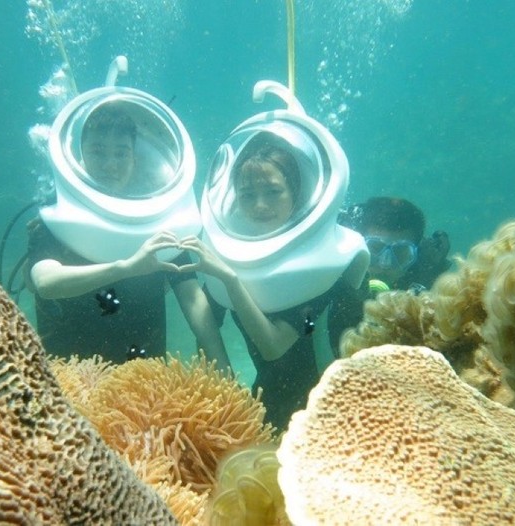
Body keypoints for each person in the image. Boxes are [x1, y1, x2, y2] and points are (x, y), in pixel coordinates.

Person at [26, 106, 230, 369]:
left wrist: (223, 369)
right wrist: (126, 268)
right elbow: (45, 281)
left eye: (121, 153)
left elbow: (191, 297)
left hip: (141, 374)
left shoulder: (160, 216)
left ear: (135, 158)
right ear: (80, 155)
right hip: (66, 370)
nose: (110, 165)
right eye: (97, 151)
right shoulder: (56, 212)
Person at [180, 141, 339, 430]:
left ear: (296, 191)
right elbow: (206, 319)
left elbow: (273, 346)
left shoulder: (320, 259)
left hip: (330, 406)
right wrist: (224, 384)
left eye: (273, 192)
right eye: (247, 195)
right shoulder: (234, 251)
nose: (260, 205)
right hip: (268, 398)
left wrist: (230, 280)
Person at [327, 196, 451, 351]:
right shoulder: (335, 273)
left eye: (400, 253)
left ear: (417, 254)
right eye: (375, 249)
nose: (385, 264)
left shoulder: (426, 282)